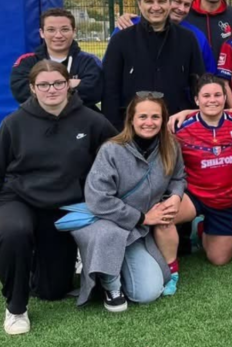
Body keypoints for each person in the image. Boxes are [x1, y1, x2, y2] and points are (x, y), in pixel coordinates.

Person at [0, 61, 116, 335]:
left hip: (64, 206)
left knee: (52, 291)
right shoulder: (14, 123)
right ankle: (16, 308)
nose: (51, 89)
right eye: (43, 84)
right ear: (33, 88)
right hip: (18, 199)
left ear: (69, 84)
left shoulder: (91, 120)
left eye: (58, 83)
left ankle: (19, 263)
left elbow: (117, 155)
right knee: (13, 232)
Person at [74, 94, 185, 311]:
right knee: (109, 237)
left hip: (138, 230)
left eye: (155, 117)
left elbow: (178, 177)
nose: (149, 122)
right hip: (109, 223)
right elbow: (98, 198)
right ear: (131, 119)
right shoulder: (111, 150)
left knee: (148, 293)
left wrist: (175, 196)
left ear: (163, 120)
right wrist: (142, 217)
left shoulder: (171, 146)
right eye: (142, 116)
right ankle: (109, 280)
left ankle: (110, 262)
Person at [173, 74, 232, 266]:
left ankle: (202, 227)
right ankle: (169, 264)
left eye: (217, 95)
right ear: (197, 100)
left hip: (225, 200)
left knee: (219, 259)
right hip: (193, 195)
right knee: (164, 218)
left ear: (225, 97)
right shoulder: (180, 128)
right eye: (206, 96)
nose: (212, 100)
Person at [101, 0, 206, 129]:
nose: (156, 7)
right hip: (132, 127)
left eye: (161, 1)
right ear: (139, 4)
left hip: (175, 125)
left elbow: (198, 83)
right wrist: (114, 129)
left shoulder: (188, 39)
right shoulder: (121, 39)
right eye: (149, 1)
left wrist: (196, 121)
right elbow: (110, 88)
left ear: (169, 3)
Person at [10, 8, 104, 109]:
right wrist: (70, 84)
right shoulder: (27, 62)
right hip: (37, 118)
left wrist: (44, 88)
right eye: (51, 30)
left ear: (74, 32)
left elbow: (93, 93)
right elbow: (21, 93)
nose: (58, 35)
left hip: (81, 117)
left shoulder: (89, 61)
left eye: (65, 29)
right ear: (42, 33)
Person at [113, 0, 217, 73]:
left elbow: (208, 76)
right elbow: (111, 73)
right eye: (177, 1)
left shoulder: (197, 36)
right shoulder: (127, 25)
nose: (181, 9)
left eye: (186, 5)